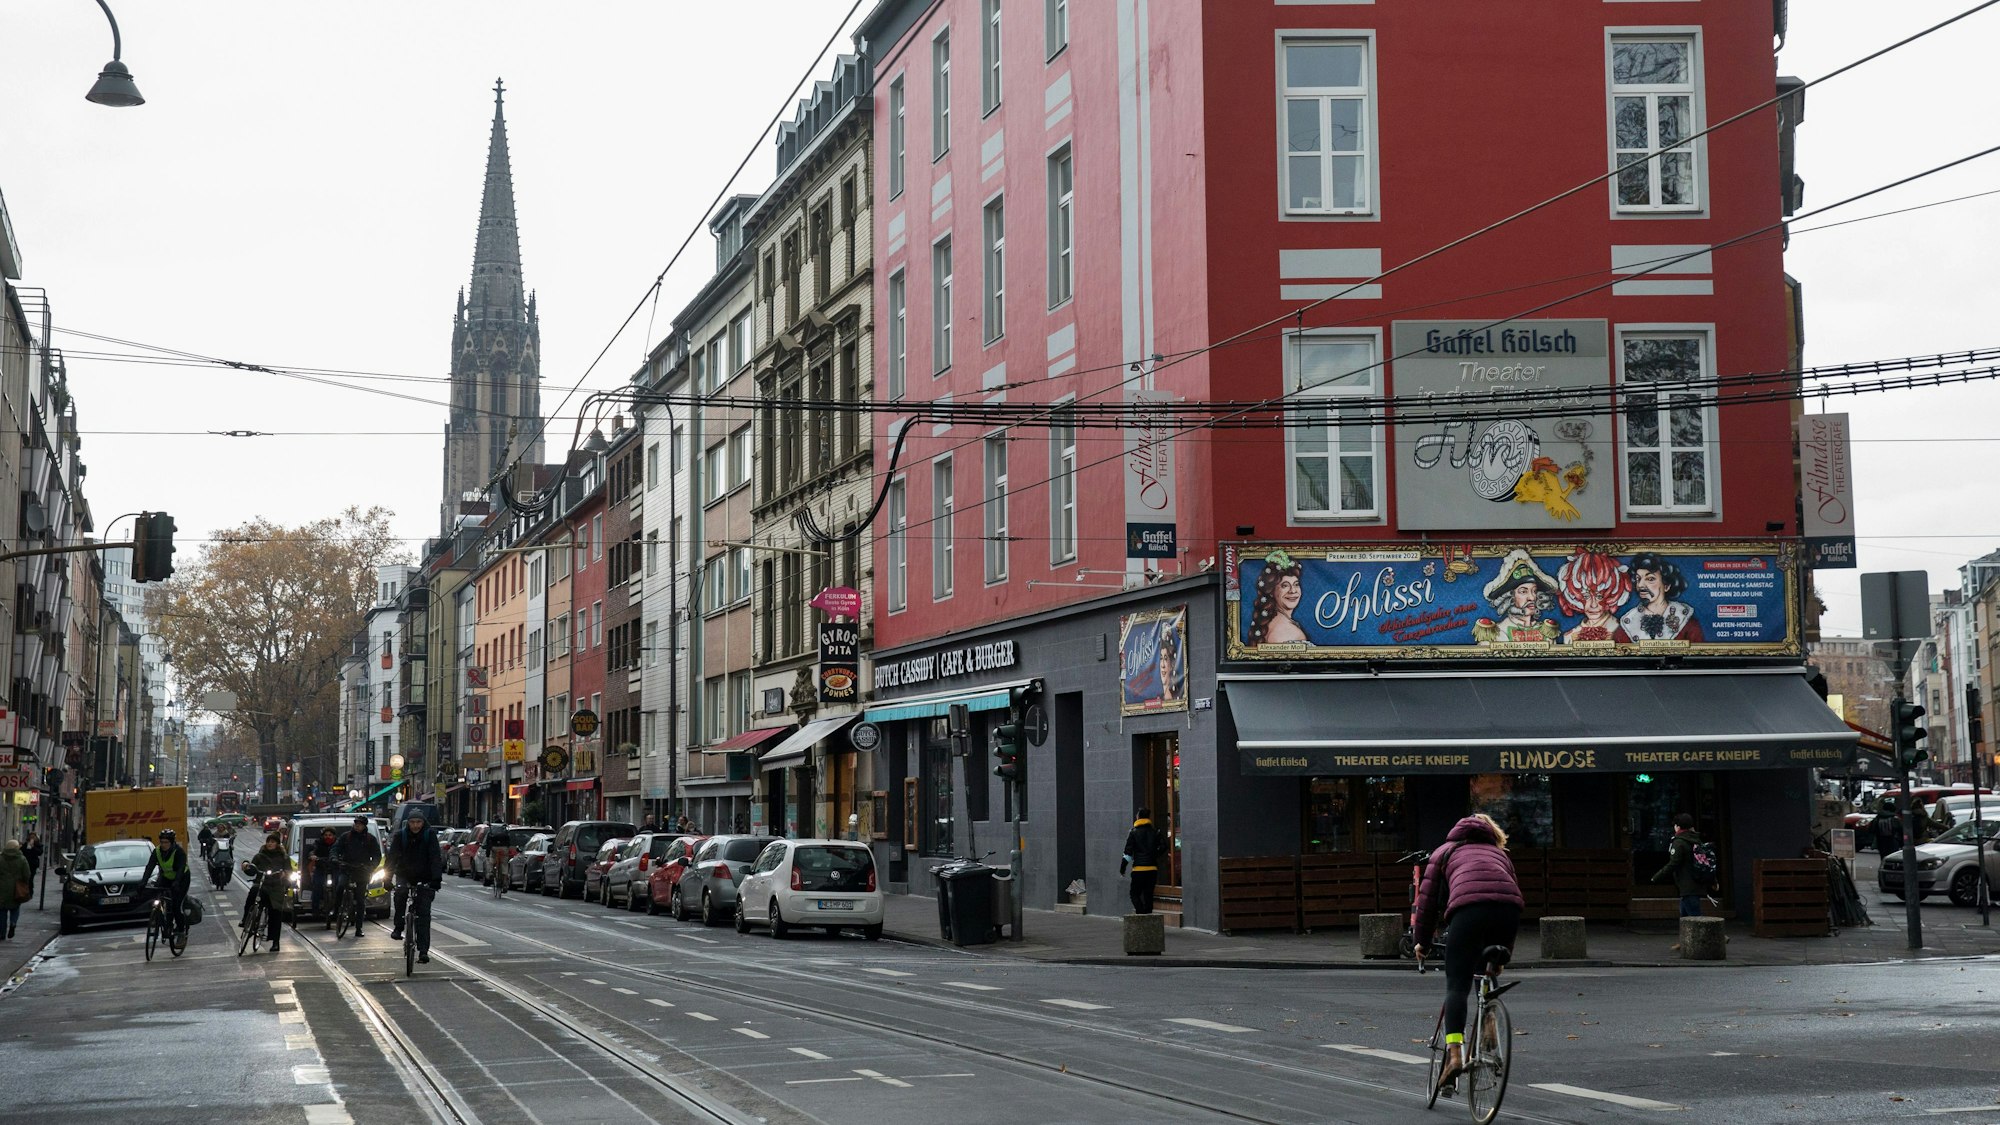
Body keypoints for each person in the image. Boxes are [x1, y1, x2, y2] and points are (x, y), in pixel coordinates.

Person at [1411, 813, 1525, 1095]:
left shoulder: (1444, 852)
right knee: (1487, 972)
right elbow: (1506, 895)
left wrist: (1421, 943)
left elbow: (1426, 904)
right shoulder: (1500, 854)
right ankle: (1489, 1033)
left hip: (1468, 912)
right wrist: (1503, 955)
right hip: (1510, 911)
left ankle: (1454, 1054)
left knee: (1457, 985)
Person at [386, 812, 444, 963]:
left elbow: (435, 857)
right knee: (400, 894)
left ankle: (423, 951)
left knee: (423, 914)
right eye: (413, 822)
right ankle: (398, 928)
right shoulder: (401, 836)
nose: (416, 825)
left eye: (419, 822)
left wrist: (436, 879)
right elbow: (392, 858)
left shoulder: (429, 835)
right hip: (404, 874)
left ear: (423, 822)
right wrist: (387, 878)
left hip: (425, 876)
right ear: (408, 823)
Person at [1472, 549, 1561, 644]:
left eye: (1534, 591)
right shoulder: (1496, 634)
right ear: (1509, 597)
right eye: (1523, 591)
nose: (1532, 598)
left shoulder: (1547, 633)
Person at [1619, 552, 1706, 642]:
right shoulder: (1627, 624)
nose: (1640, 585)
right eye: (1638, 579)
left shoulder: (1687, 623)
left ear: (1666, 586)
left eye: (1650, 579)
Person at [332, 816, 383, 935]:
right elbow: (335, 848)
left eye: (360, 824)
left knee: (360, 900)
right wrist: (334, 857)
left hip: (362, 871)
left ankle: (359, 928)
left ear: (364, 826)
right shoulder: (346, 837)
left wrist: (371, 866)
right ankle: (336, 909)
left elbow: (377, 855)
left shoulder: (370, 839)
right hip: (347, 868)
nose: (357, 826)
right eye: (356, 823)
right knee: (340, 886)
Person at [1652, 813, 1706, 924]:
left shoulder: (1679, 842)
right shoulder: (1696, 840)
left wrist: (1657, 876)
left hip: (1687, 885)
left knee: (1696, 919)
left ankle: (1714, 936)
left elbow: (1674, 863)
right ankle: (1685, 941)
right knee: (1685, 916)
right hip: (1695, 883)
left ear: (1678, 826)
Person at [140, 828, 193, 940]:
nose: (163, 845)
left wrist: (177, 882)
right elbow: (149, 867)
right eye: (162, 842)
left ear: (172, 842)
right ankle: (164, 921)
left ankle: (181, 931)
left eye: (166, 842)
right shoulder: (157, 851)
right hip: (166, 877)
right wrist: (143, 882)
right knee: (158, 897)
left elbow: (180, 868)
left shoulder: (178, 852)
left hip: (182, 878)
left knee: (176, 905)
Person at [245, 831, 294, 951]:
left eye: (273, 842)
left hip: (276, 887)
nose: (270, 844)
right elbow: (251, 868)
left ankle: (275, 942)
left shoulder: (284, 857)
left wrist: (284, 874)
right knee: (253, 892)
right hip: (262, 884)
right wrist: (246, 866)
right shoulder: (259, 856)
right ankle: (246, 919)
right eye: (268, 841)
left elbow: (289, 871)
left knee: (275, 913)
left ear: (277, 844)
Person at [1246, 551, 1308, 646]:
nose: (1293, 591)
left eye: (1296, 584)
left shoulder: (1270, 621)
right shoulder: (1291, 633)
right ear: (1271, 591)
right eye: (1285, 586)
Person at [1121, 809, 1166, 914]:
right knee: (1148, 894)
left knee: (1134, 893)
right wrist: (1155, 855)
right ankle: (1148, 917)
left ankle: (1141, 914)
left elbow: (1128, 852)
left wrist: (1122, 867)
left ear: (1138, 817)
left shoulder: (1133, 833)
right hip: (1152, 869)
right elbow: (1164, 846)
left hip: (1138, 869)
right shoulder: (1155, 832)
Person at [302, 826, 339, 919]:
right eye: (326, 835)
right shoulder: (318, 843)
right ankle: (315, 909)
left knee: (339, 884)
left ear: (334, 836)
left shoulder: (338, 844)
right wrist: (312, 856)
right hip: (321, 867)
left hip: (335, 868)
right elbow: (312, 850)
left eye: (330, 835)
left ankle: (339, 906)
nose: (328, 837)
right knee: (317, 885)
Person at [0, 838, 31, 941]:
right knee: (15, 908)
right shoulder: (21, 859)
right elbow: (27, 874)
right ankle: (13, 923)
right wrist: (25, 882)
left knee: (2, 911)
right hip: (16, 888)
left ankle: (2, 933)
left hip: (2, 888)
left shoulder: (1, 858)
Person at [483, 822, 515, 894]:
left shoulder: (491, 832)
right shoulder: (505, 832)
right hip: (504, 848)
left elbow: (488, 844)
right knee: (504, 864)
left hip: (494, 848)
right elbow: (509, 842)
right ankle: (505, 884)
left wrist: (488, 853)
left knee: (491, 859)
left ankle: (491, 872)